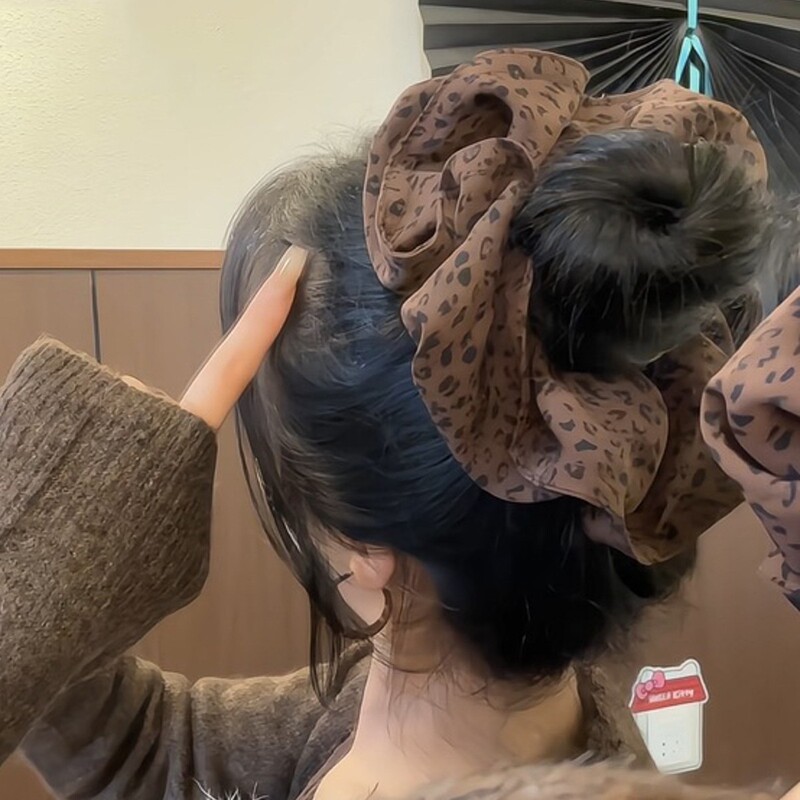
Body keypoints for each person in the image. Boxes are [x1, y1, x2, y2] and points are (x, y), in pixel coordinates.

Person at [0, 49, 783, 800]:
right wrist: (49, 571)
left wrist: (42, 548)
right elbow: (146, 752)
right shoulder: (354, 719)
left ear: (366, 549)